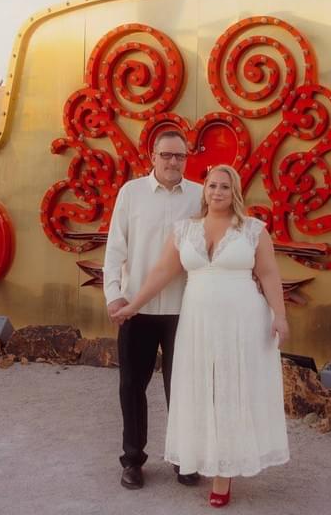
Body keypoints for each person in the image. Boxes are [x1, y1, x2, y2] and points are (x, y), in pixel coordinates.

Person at [113, 164, 290, 508]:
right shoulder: (184, 230)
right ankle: (201, 456)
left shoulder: (253, 230)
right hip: (197, 324)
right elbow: (162, 272)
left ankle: (223, 476)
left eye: (225, 187)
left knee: (230, 391)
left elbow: (268, 274)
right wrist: (133, 304)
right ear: (204, 190)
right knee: (200, 391)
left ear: (234, 192)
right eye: (212, 186)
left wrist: (280, 317)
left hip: (243, 323)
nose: (217, 192)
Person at [102, 129, 203, 490]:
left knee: (182, 389)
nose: (174, 162)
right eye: (167, 155)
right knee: (132, 386)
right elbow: (116, 249)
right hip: (136, 309)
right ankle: (132, 460)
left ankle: (183, 459)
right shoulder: (131, 194)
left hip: (184, 310)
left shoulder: (199, 196)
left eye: (180, 156)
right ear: (153, 156)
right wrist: (114, 295)